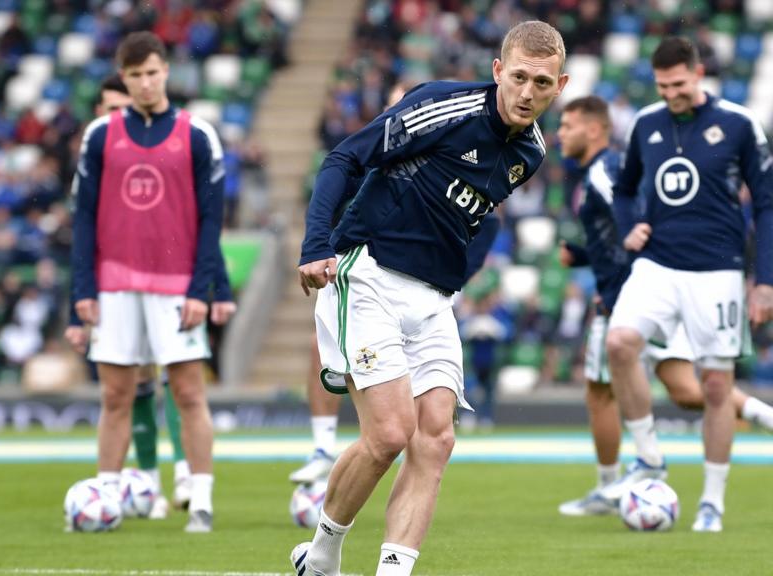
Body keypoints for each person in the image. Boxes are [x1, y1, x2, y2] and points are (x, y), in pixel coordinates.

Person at [293, 21, 567, 576]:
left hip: (435, 300)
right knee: (391, 434)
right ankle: (321, 555)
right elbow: (344, 158)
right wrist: (316, 244)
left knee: (436, 439)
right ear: (497, 71)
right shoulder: (444, 107)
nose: (527, 92)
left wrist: (456, 277)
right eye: (518, 77)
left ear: (559, 86)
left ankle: (395, 570)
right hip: (369, 273)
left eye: (541, 82)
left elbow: (469, 220)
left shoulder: (532, 152)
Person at [553, 95, 773, 517]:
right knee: (690, 391)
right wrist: (583, 256)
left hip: (633, 295)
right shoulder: (610, 168)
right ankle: (762, 413)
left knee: (600, 393)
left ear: (595, 128)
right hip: (655, 287)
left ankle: (607, 487)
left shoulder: (603, 172)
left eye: (567, 126)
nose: (560, 134)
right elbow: (622, 234)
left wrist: (622, 275)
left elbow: (637, 226)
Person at [290, 81, 502, 484]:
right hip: (359, 275)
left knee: (415, 428)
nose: (398, 118)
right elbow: (337, 171)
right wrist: (321, 243)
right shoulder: (373, 152)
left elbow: (486, 222)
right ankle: (324, 446)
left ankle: (352, 463)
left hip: (425, 286)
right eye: (393, 108)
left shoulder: (440, 160)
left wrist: (456, 279)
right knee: (339, 375)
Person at [601, 37, 773, 533]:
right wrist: (629, 222)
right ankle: (650, 457)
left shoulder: (739, 125)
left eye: (678, 84)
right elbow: (625, 188)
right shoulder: (646, 124)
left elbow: (765, 201)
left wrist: (764, 280)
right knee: (619, 342)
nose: (671, 93)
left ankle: (712, 500)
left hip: (718, 270)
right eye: (662, 85)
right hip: (656, 264)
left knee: (716, 385)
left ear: (698, 75)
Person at [70, 31, 227, 533]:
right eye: (134, 75)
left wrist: (201, 289)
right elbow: (82, 217)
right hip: (114, 285)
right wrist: (83, 289)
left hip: (176, 285)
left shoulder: (196, 133)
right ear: (124, 77)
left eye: (152, 72)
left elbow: (210, 219)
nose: (144, 83)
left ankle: (199, 498)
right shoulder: (99, 134)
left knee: (187, 393)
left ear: (166, 72)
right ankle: (108, 497)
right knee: (115, 396)